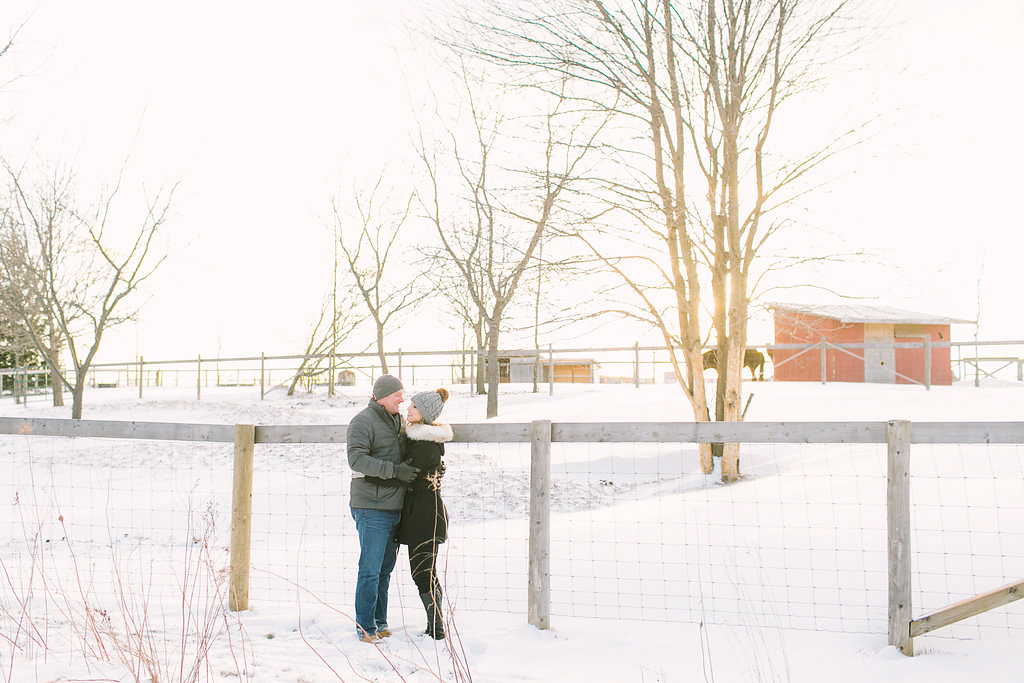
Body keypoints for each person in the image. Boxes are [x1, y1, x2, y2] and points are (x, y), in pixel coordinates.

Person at [346, 374, 420, 642]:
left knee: (385, 569)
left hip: (395, 505)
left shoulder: (398, 420)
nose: (403, 399)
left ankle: (379, 621)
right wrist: (394, 471)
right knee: (370, 568)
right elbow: (357, 459)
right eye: (398, 395)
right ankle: (365, 627)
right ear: (384, 396)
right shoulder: (362, 421)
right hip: (371, 506)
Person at [394, 387, 452, 640]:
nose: (408, 408)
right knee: (425, 570)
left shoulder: (423, 445)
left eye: (414, 407)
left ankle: (437, 628)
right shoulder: (422, 440)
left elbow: (406, 473)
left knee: (422, 571)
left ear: (425, 414)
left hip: (424, 515)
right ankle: (435, 625)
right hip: (424, 512)